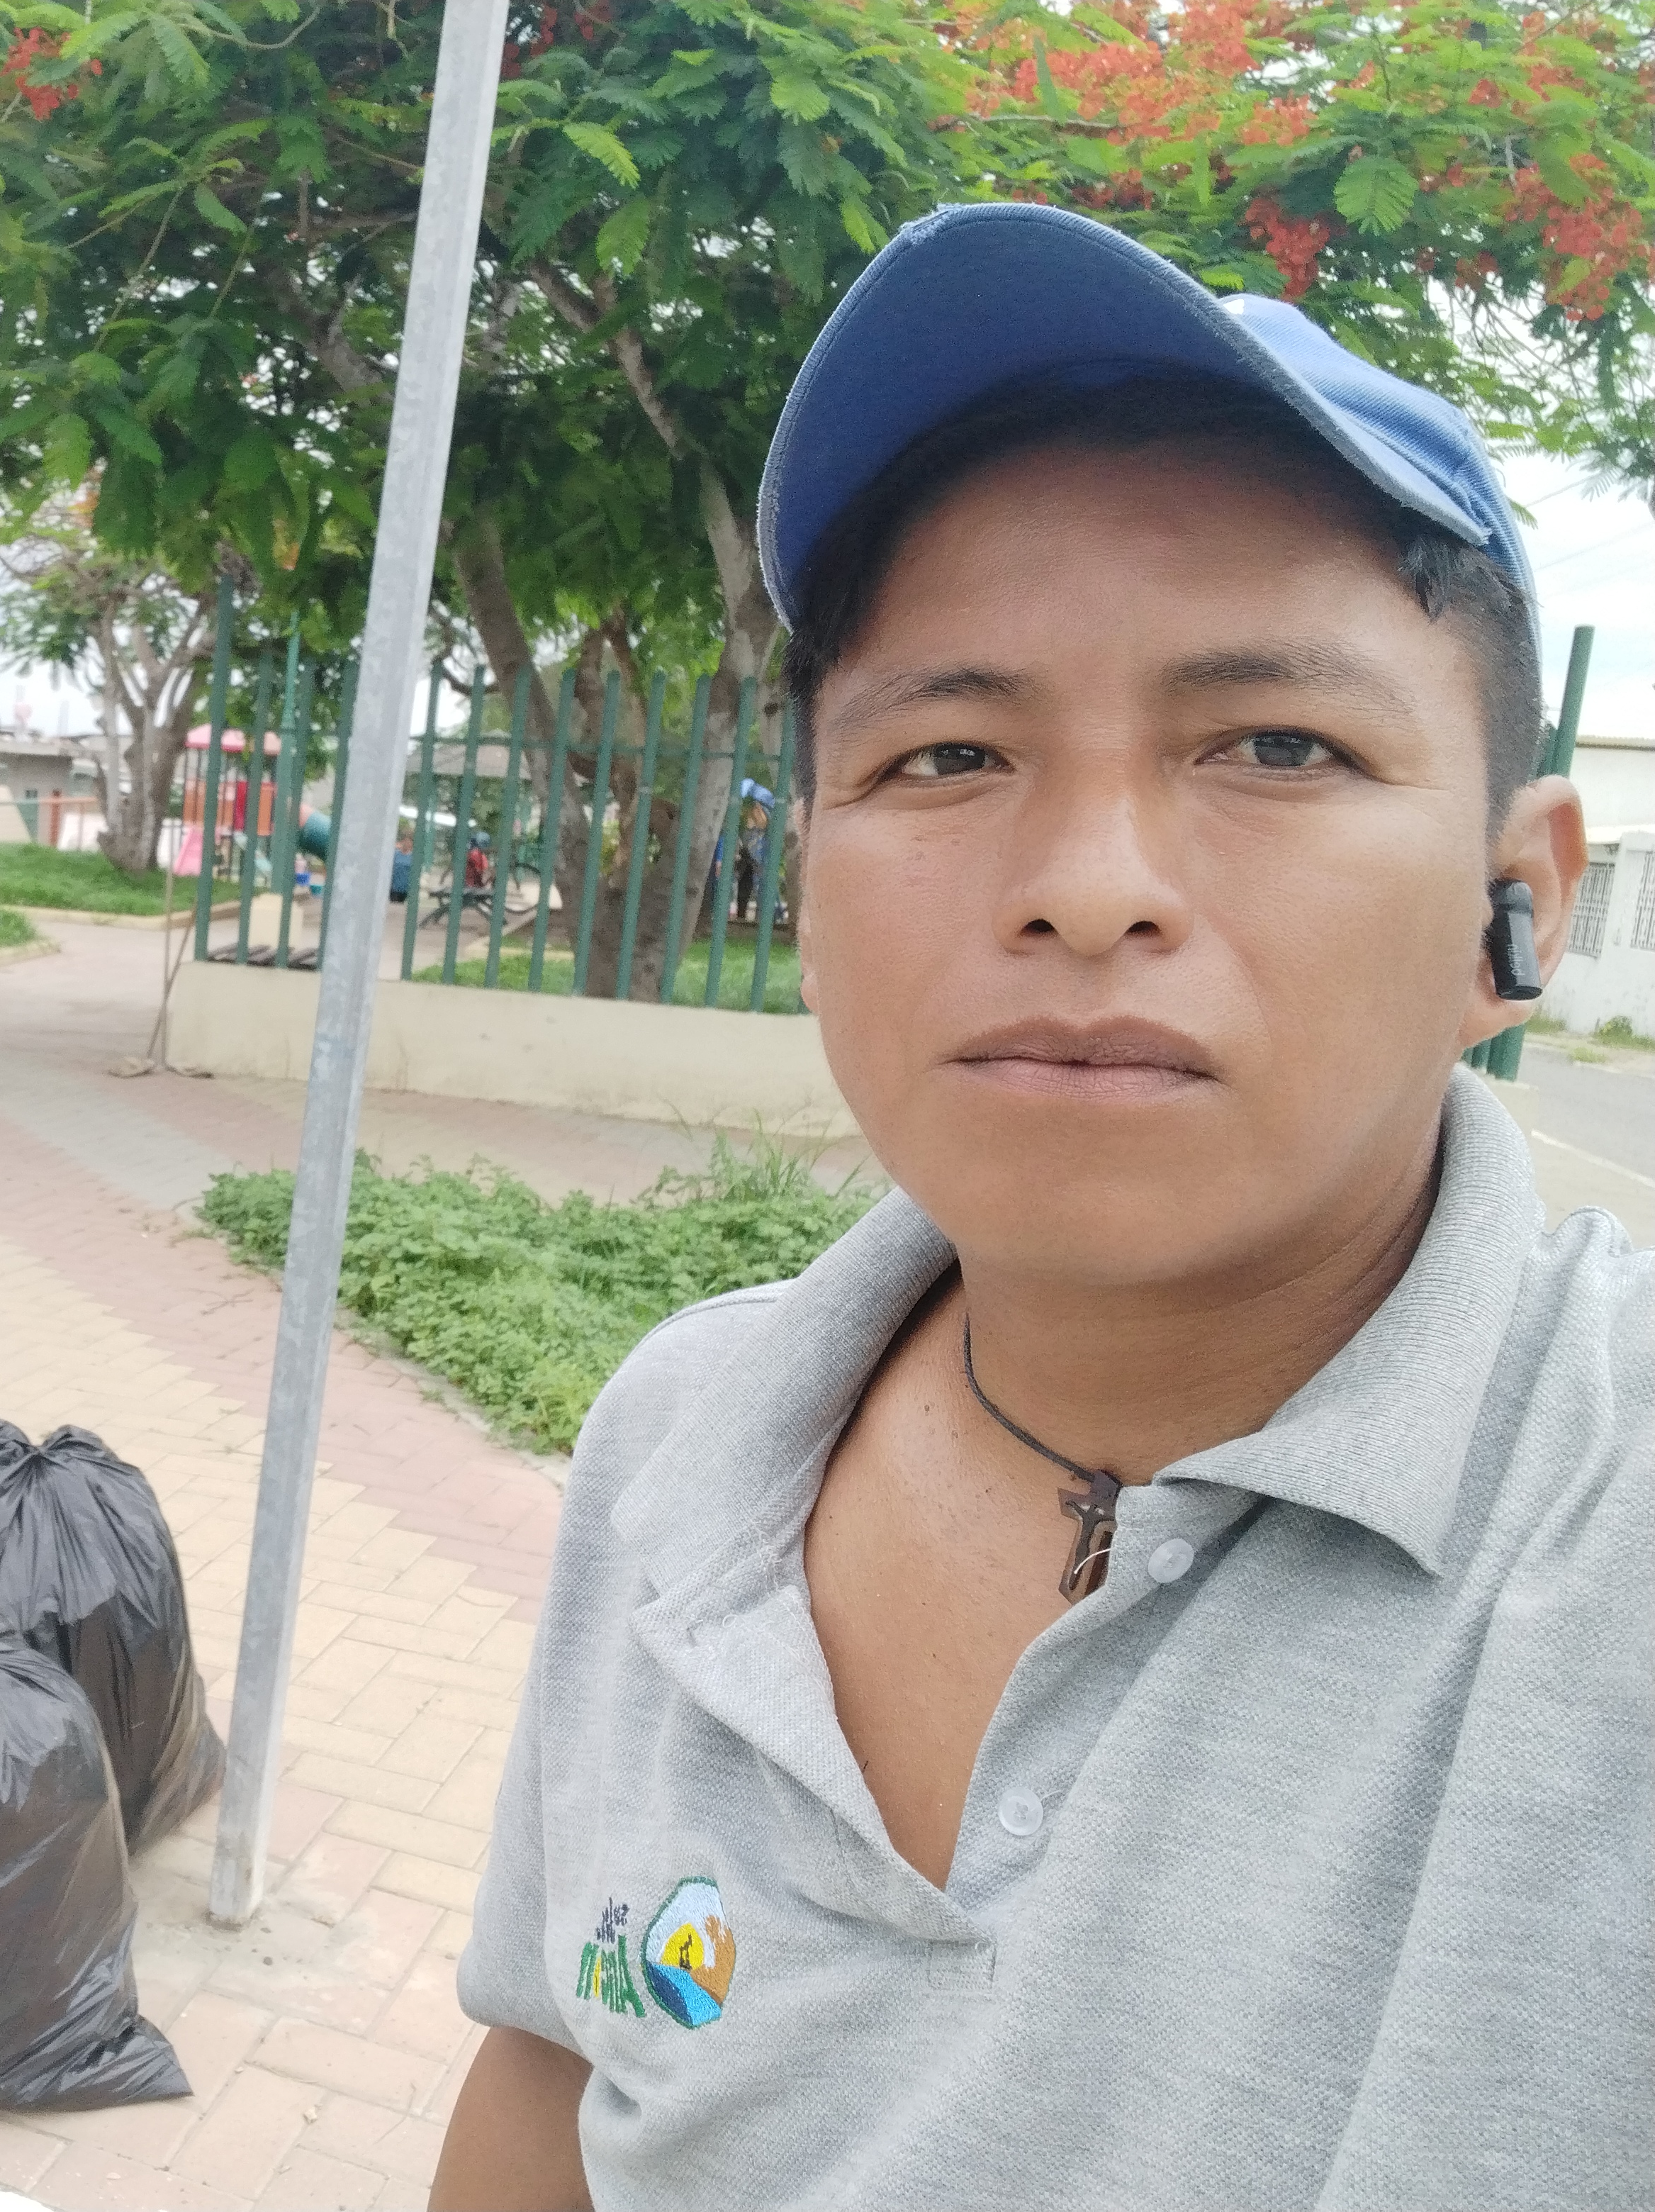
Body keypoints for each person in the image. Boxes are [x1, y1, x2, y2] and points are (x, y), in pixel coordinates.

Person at [432, 201, 1646, 2212]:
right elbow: (556, 2073)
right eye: (947, 754)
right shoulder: (685, 1433)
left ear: (1513, 908)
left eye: (1277, 744)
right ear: (806, 873)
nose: (1088, 886)